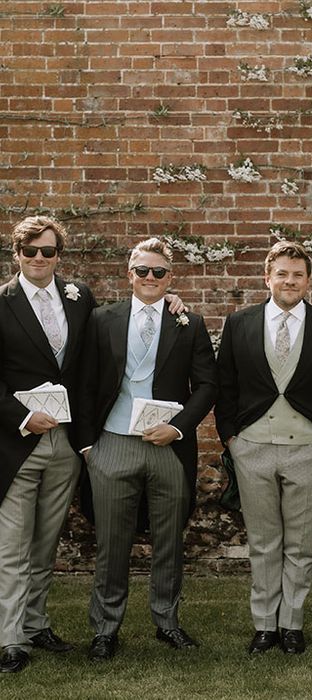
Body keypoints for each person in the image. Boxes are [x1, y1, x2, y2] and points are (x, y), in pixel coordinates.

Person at [76, 237, 217, 661]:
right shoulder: (102, 319)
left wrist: (177, 430)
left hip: (168, 449)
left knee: (170, 540)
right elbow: (84, 384)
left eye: (159, 272)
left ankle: (167, 622)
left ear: (170, 277)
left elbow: (207, 386)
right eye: (142, 271)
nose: (150, 278)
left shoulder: (188, 323)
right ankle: (105, 629)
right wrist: (87, 447)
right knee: (112, 542)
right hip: (112, 444)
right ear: (129, 274)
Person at [215, 240, 312, 656]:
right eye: (282, 274)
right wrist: (232, 441)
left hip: (310, 449)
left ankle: (292, 624)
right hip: (252, 448)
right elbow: (226, 387)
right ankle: (264, 626)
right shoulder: (240, 322)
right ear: (267, 277)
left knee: (300, 544)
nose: (289, 282)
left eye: (298, 275)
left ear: (309, 280)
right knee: (263, 541)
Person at [0, 216, 96, 673]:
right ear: (17, 254)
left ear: (60, 255)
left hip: (65, 444)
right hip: (15, 443)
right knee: (12, 547)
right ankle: (10, 637)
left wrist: (171, 303)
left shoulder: (79, 298)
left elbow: (105, 346)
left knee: (45, 544)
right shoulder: (2, 302)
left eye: (49, 251)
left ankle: (36, 623)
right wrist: (22, 417)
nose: (40, 259)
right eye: (31, 251)